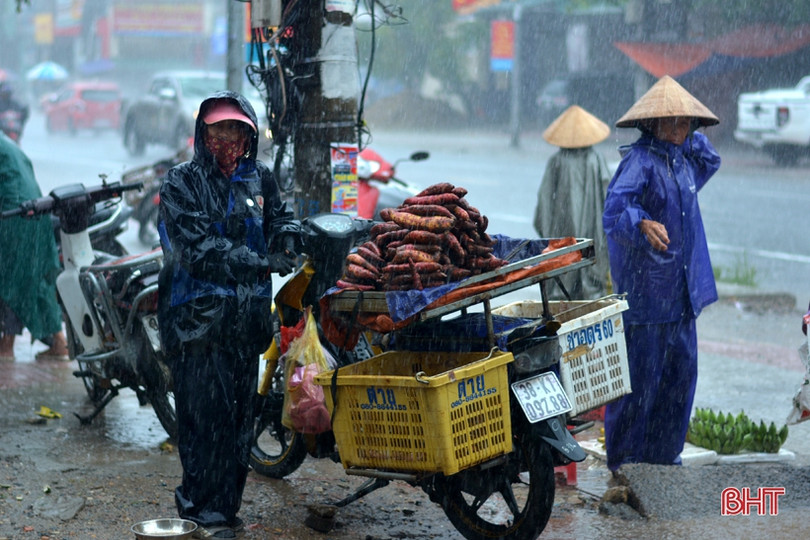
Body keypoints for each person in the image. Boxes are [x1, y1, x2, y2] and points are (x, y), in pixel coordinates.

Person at [157, 90, 298, 539]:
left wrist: (288, 238)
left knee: (239, 424)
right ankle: (200, 511)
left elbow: (281, 219)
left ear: (249, 136)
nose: (227, 141)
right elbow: (197, 249)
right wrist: (259, 262)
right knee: (204, 423)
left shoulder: (260, 179)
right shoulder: (180, 183)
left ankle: (225, 511)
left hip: (245, 323)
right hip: (196, 325)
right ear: (203, 134)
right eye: (218, 131)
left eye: (236, 131)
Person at [601, 75, 721, 471]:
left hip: (683, 296)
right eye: (669, 120)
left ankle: (664, 462)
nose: (678, 127)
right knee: (639, 388)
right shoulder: (640, 162)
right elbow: (615, 211)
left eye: (685, 121)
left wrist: (692, 134)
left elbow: (711, 160)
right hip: (648, 298)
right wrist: (640, 222)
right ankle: (626, 466)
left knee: (678, 384)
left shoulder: (685, 161)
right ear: (651, 123)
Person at [0, 130, 68, 361]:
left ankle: (6, 345)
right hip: (35, 211)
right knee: (37, 278)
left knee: (10, 279)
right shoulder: (6, 143)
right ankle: (59, 341)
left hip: (14, 216)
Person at [533, 104, 612, 300]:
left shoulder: (558, 161)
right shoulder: (596, 160)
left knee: (563, 296)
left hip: (564, 238)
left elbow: (544, 207)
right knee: (592, 299)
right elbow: (609, 198)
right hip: (594, 237)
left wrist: (551, 237)